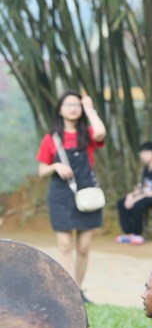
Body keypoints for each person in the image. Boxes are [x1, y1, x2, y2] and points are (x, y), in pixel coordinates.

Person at [36, 90, 107, 290]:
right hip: (61, 194)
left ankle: (78, 289)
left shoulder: (88, 134)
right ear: (60, 110)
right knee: (65, 246)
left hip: (87, 191)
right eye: (68, 104)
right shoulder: (51, 138)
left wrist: (91, 110)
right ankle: (70, 291)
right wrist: (55, 167)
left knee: (83, 247)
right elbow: (42, 170)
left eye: (76, 104)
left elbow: (101, 132)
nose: (73, 108)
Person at [115, 141, 152, 246]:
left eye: (146, 152)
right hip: (147, 195)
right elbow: (143, 187)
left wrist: (137, 198)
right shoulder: (146, 168)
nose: (142, 155)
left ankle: (138, 234)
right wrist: (131, 195)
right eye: (142, 152)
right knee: (122, 202)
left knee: (137, 205)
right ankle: (129, 233)